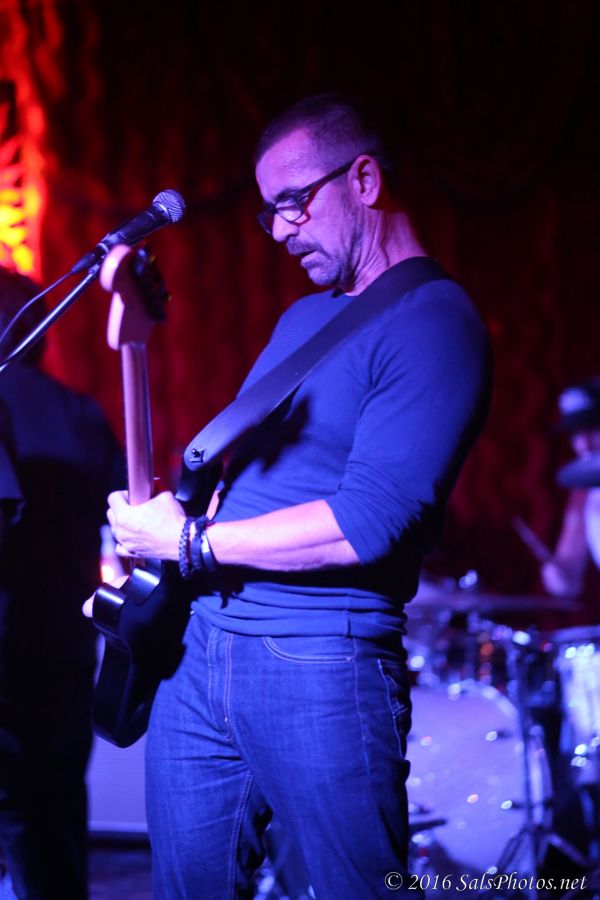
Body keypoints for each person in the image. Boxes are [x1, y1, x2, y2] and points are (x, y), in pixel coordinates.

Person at [102, 94, 491, 898]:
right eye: (268, 211)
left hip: (319, 660)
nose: (279, 230)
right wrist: (159, 531)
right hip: (201, 648)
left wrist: (188, 543)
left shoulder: (434, 320)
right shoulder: (303, 319)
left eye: (292, 202)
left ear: (364, 180)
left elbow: (368, 523)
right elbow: (245, 482)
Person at [0, 268, 124, 900]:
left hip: (8, 644)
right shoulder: (80, 412)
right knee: (56, 819)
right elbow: (123, 523)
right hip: (66, 644)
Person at [541, 378, 600, 604]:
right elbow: (570, 572)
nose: (584, 445)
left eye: (593, 429)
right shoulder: (583, 491)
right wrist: (559, 578)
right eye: (576, 433)